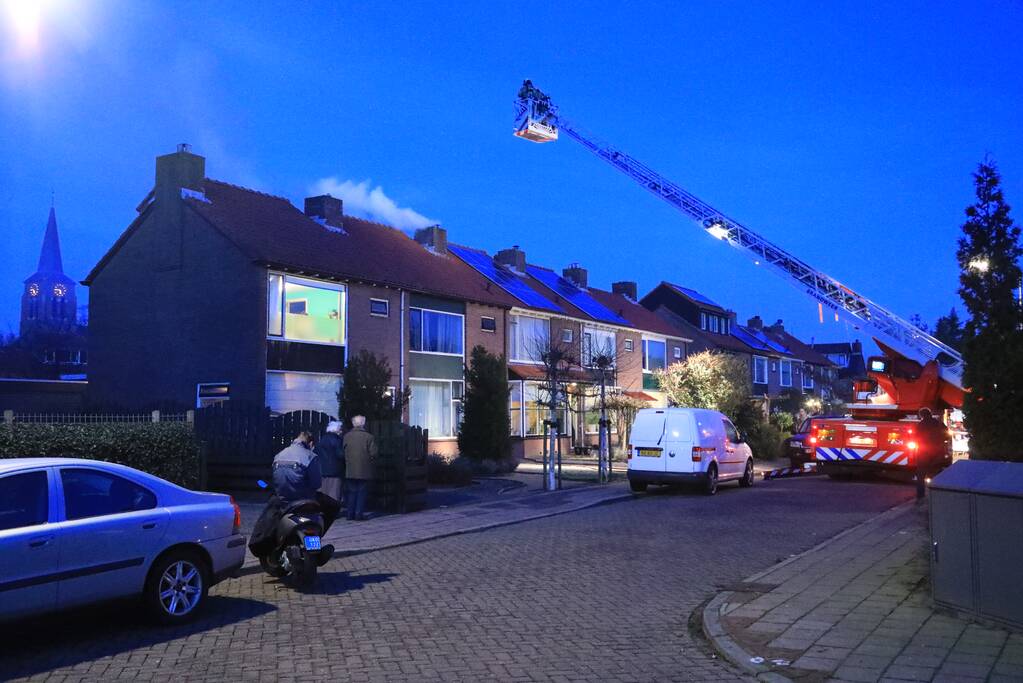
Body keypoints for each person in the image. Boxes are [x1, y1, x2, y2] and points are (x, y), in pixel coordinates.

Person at [343, 415, 377, 521]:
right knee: (361, 492)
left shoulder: (346, 436)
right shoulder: (369, 437)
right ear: (363, 423)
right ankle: (358, 514)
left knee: (351, 492)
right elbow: (374, 453)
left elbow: (343, 451)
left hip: (350, 469)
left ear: (353, 423)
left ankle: (350, 514)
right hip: (364, 469)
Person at [915, 407, 947, 499]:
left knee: (921, 476)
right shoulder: (939, 423)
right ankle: (937, 496)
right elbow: (946, 436)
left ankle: (920, 496)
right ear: (930, 414)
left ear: (921, 415)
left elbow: (916, 438)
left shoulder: (920, 425)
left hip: (923, 453)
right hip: (938, 452)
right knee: (937, 474)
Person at [315, 421, 345, 504]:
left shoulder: (321, 440)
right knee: (334, 494)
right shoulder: (337, 440)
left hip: (322, 471)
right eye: (340, 429)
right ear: (336, 430)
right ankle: (333, 509)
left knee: (324, 493)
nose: (341, 431)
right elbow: (340, 455)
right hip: (335, 471)